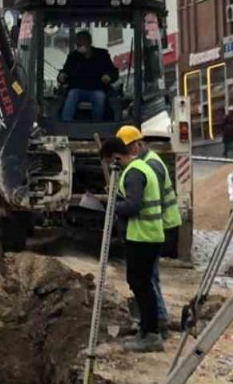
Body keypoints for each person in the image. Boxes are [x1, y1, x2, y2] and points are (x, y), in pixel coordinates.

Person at [100, 135, 166, 352]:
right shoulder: (140, 167)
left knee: (141, 283)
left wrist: (111, 204)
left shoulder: (135, 173)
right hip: (146, 235)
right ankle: (148, 330)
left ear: (117, 156)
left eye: (111, 161)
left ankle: (151, 334)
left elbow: (133, 206)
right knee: (141, 282)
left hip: (142, 236)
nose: (111, 166)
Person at [117, 125, 182, 336]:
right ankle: (154, 320)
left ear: (138, 144)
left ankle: (158, 322)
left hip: (159, 225)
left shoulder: (150, 165)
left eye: (126, 148)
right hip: (156, 225)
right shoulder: (143, 162)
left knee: (149, 278)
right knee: (148, 277)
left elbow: (151, 202)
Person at [59, 30, 119, 122]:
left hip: (97, 89)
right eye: (77, 42)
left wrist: (108, 77)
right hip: (77, 89)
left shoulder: (102, 55)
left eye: (81, 41)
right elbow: (65, 71)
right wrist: (62, 76)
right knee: (72, 94)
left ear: (89, 42)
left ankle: (96, 125)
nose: (79, 44)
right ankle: (65, 124)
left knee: (99, 96)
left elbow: (113, 72)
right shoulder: (73, 57)